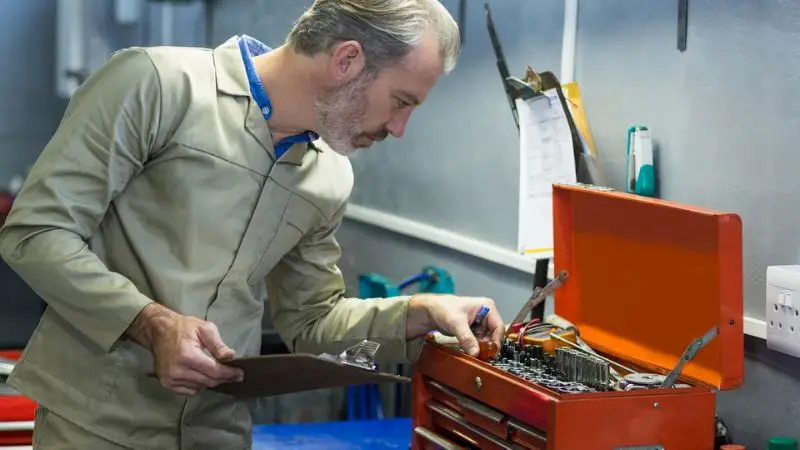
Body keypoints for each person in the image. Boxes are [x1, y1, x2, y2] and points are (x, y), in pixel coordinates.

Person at [0, 1, 504, 449]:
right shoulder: (156, 84)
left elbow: (312, 322)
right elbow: (37, 232)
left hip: (218, 432)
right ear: (347, 60)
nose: (399, 129)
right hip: (95, 425)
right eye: (402, 101)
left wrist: (419, 311)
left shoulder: (328, 175)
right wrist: (150, 322)